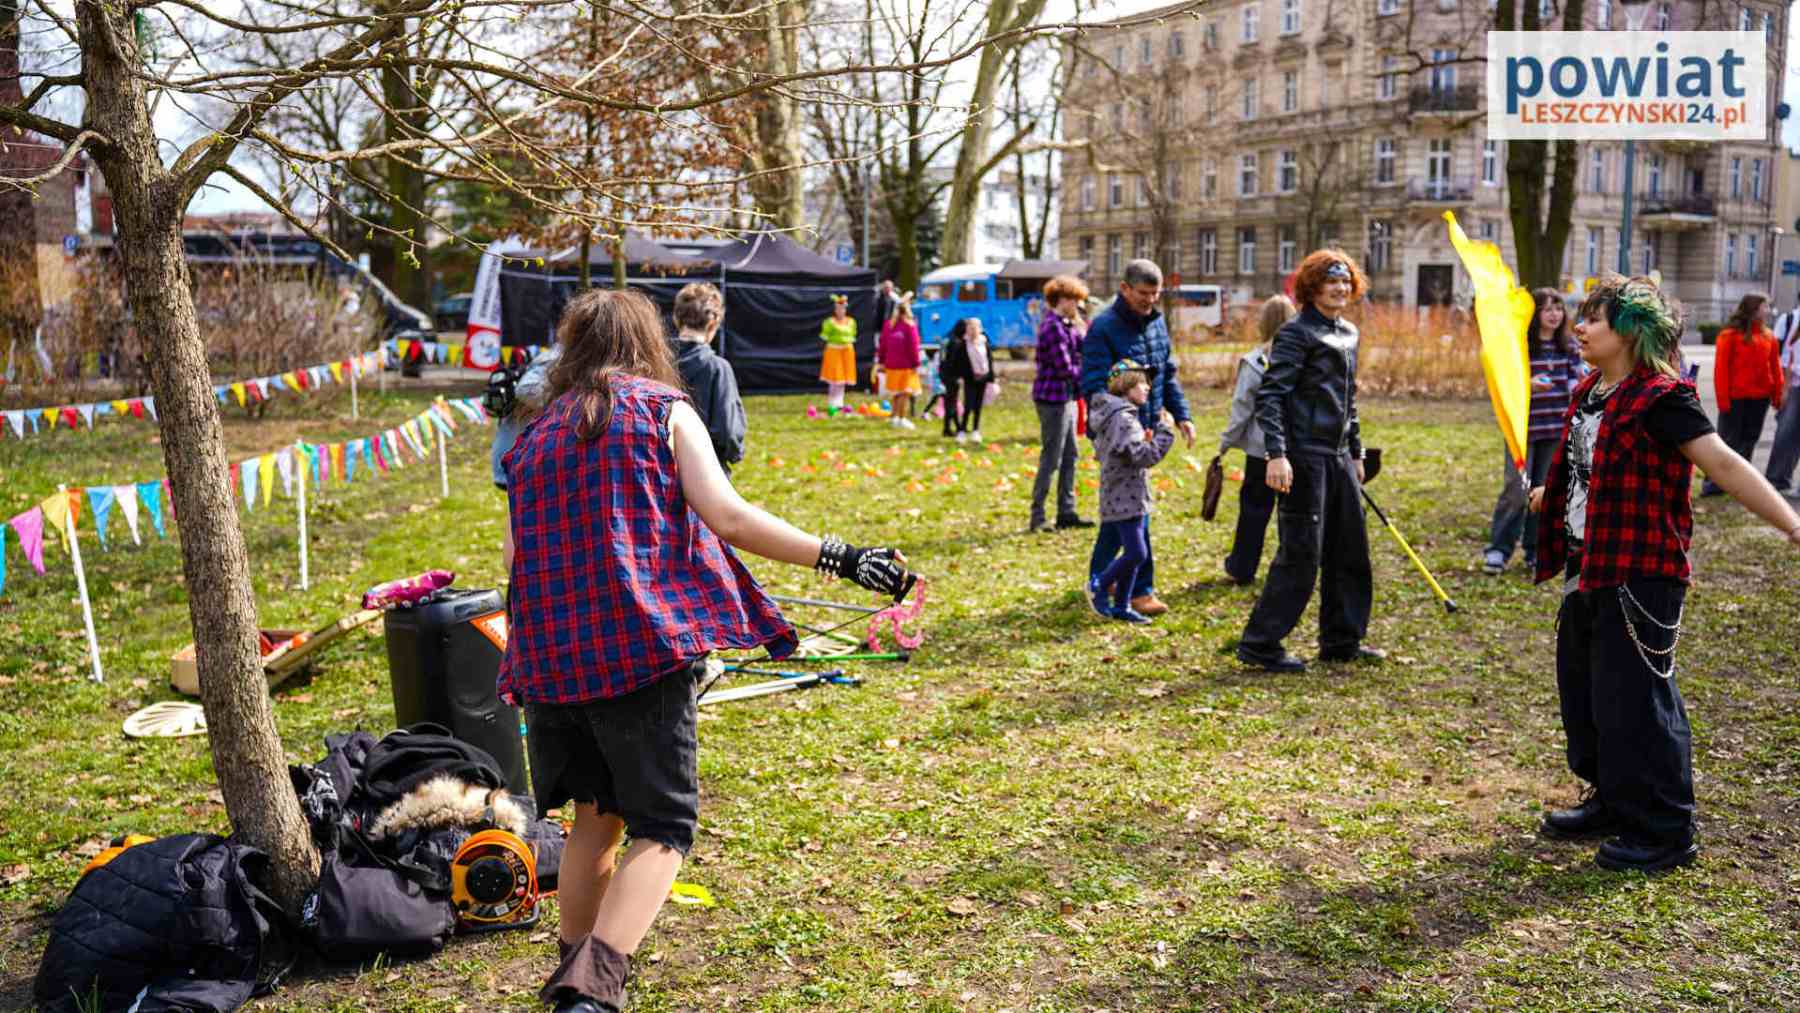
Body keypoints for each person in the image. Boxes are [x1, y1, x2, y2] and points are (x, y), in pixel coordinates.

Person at [499, 289, 915, 1013]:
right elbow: (728, 515)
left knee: (596, 814)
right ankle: (590, 992)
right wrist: (842, 555)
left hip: (551, 661)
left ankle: (572, 974)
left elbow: (513, 558)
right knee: (663, 826)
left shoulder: (534, 435)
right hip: (636, 651)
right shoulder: (664, 410)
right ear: (645, 343)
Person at [1526, 274, 1800, 873]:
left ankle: (1666, 830)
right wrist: (1555, 492)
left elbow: (1725, 464)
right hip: (1588, 562)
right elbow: (1594, 465)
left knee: (1639, 701)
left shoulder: (1663, 397)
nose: (1579, 327)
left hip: (1642, 570)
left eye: (1593, 319)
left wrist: (1790, 522)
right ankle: (1612, 800)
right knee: (1587, 691)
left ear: (1628, 331)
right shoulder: (1593, 389)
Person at [1235, 251, 1379, 673]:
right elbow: (1271, 396)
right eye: (1330, 282)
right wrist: (1277, 454)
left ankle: (1342, 640)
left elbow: (1348, 399)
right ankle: (1261, 644)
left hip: (1338, 457)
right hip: (1303, 456)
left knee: (1350, 549)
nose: (1339, 288)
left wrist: (1356, 451)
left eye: (1345, 281)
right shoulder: (1295, 334)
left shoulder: (1349, 333)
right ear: (1312, 288)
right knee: (1301, 553)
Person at [1078, 259, 1195, 617]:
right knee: (1132, 513)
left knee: (1124, 513)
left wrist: (1182, 415)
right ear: (1125, 289)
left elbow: (1167, 376)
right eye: (1143, 293)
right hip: (1121, 435)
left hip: (1145, 428)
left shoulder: (1157, 323)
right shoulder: (1103, 328)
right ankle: (1135, 589)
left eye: (1155, 293)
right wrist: (1118, 427)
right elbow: (1094, 385)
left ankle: (1105, 581)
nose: (1150, 300)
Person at [1482, 288, 1585, 574]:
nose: (1554, 314)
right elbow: (1504, 382)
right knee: (1516, 490)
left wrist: (1575, 386)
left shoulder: (1569, 346)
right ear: (1535, 313)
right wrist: (1528, 385)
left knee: (1544, 492)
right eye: (1547, 309)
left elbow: (1578, 378)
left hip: (1554, 430)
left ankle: (1535, 550)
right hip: (1522, 432)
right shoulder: (1520, 346)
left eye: (1558, 308)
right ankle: (1499, 549)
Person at [1086, 360, 1176, 623]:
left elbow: (1124, 452)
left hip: (1125, 493)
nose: (1147, 387)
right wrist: (1165, 432)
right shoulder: (1123, 418)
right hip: (1126, 497)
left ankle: (1122, 605)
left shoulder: (1117, 415)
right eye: (1142, 382)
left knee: (1132, 554)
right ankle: (1099, 585)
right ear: (1126, 385)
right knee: (1137, 553)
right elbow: (1143, 456)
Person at [1218, 295, 1295, 585]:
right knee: (1292, 513)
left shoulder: (1255, 362)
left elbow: (1242, 408)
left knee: (1253, 511)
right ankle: (1292, 568)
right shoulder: (1303, 358)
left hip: (1260, 450)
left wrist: (1225, 443)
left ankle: (1242, 567)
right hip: (1296, 447)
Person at [1701, 292, 1784, 496]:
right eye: (1765, 306)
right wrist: (1723, 400)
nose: (1768, 310)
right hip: (1735, 399)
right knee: (1726, 442)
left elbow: (1775, 369)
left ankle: (1741, 484)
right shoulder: (1728, 336)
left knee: (1749, 441)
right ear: (1753, 308)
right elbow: (1721, 370)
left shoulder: (1769, 336)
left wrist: (1777, 395)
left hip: (1760, 400)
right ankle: (1714, 483)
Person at [1029, 274, 1094, 533]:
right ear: (1062, 299)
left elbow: (1085, 348)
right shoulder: (1053, 327)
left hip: (1066, 397)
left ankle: (1066, 511)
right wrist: (1088, 376)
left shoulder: (1067, 325)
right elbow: (1065, 368)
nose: (1078, 305)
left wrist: (1083, 329)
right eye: (1074, 300)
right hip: (1052, 399)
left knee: (1070, 455)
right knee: (1052, 458)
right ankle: (1038, 516)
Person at [669, 283, 746, 475]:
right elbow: (728, 430)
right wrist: (735, 453)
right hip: (705, 473)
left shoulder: (654, 363)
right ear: (713, 324)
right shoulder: (717, 368)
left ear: (676, 319)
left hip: (659, 471)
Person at [939, 317, 994, 443]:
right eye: (970, 328)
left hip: (983, 377)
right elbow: (956, 363)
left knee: (978, 406)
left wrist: (991, 378)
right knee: (968, 405)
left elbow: (989, 360)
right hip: (969, 378)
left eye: (975, 328)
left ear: (980, 329)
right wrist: (957, 377)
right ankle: (962, 430)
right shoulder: (962, 344)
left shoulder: (984, 342)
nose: (973, 331)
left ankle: (975, 430)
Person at [1765, 300, 1800, 493]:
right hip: (1793, 384)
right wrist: (1782, 389)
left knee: (1787, 433)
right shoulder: (1789, 320)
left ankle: (1778, 479)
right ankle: (1777, 479)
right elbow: (1781, 357)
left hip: (1791, 384)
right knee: (1786, 433)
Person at [877, 293, 922, 430]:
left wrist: (881, 361)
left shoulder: (888, 325)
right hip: (906, 365)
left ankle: (894, 417)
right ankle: (901, 418)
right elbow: (913, 346)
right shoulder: (910, 326)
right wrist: (916, 363)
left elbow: (882, 344)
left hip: (891, 365)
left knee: (896, 392)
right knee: (904, 393)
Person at [818, 294, 858, 412]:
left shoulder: (851, 322)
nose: (841, 311)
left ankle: (840, 402)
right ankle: (832, 402)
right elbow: (824, 337)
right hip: (833, 351)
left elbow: (853, 335)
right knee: (834, 377)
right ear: (835, 310)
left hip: (847, 351)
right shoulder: (829, 322)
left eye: (843, 309)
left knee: (843, 378)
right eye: (838, 309)